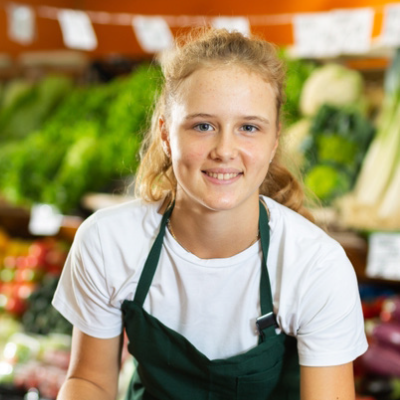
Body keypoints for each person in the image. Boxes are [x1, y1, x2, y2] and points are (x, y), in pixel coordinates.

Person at [52, 28, 368, 400]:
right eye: (203, 126)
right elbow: (90, 382)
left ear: (274, 140)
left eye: (248, 128)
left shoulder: (316, 266)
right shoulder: (108, 242)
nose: (225, 149)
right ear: (166, 135)